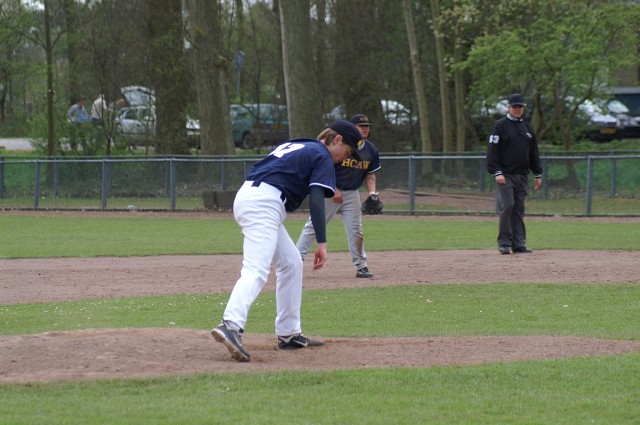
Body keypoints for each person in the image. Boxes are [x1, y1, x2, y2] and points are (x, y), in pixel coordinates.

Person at [211, 119, 363, 362]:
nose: (344, 158)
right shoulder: (323, 155)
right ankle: (231, 324)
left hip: (251, 195)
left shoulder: (301, 144)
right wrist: (322, 242)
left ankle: (289, 333)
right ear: (336, 140)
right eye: (347, 151)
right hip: (264, 203)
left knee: (292, 262)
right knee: (256, 270)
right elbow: (317, 199)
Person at [296, 113, 381, 278]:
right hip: (330, 190)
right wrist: (333, 188)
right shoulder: (339, 147)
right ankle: (295, 261)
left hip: (352, 193)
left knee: (356, 229)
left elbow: (370, 174)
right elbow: (325, 167)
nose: (365, 129)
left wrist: (373, 194)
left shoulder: (370, 149)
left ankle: (361, 266)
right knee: (314, 225)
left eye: (367, 126)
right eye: (361, 126)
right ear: (352, 128)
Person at [486, 93, 543, 255]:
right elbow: (492, 150)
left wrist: (537, 173)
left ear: (523, 108)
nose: (517, 109)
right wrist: (497, 172)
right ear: (508, 107)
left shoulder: (527, 128)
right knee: (508, 205)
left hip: (522, 175)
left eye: (520, 106)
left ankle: (518, 243)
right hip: (505, 174)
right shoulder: (500, 125)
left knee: (519, 208)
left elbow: (533, 153)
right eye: (514, 106)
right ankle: (504, 242)